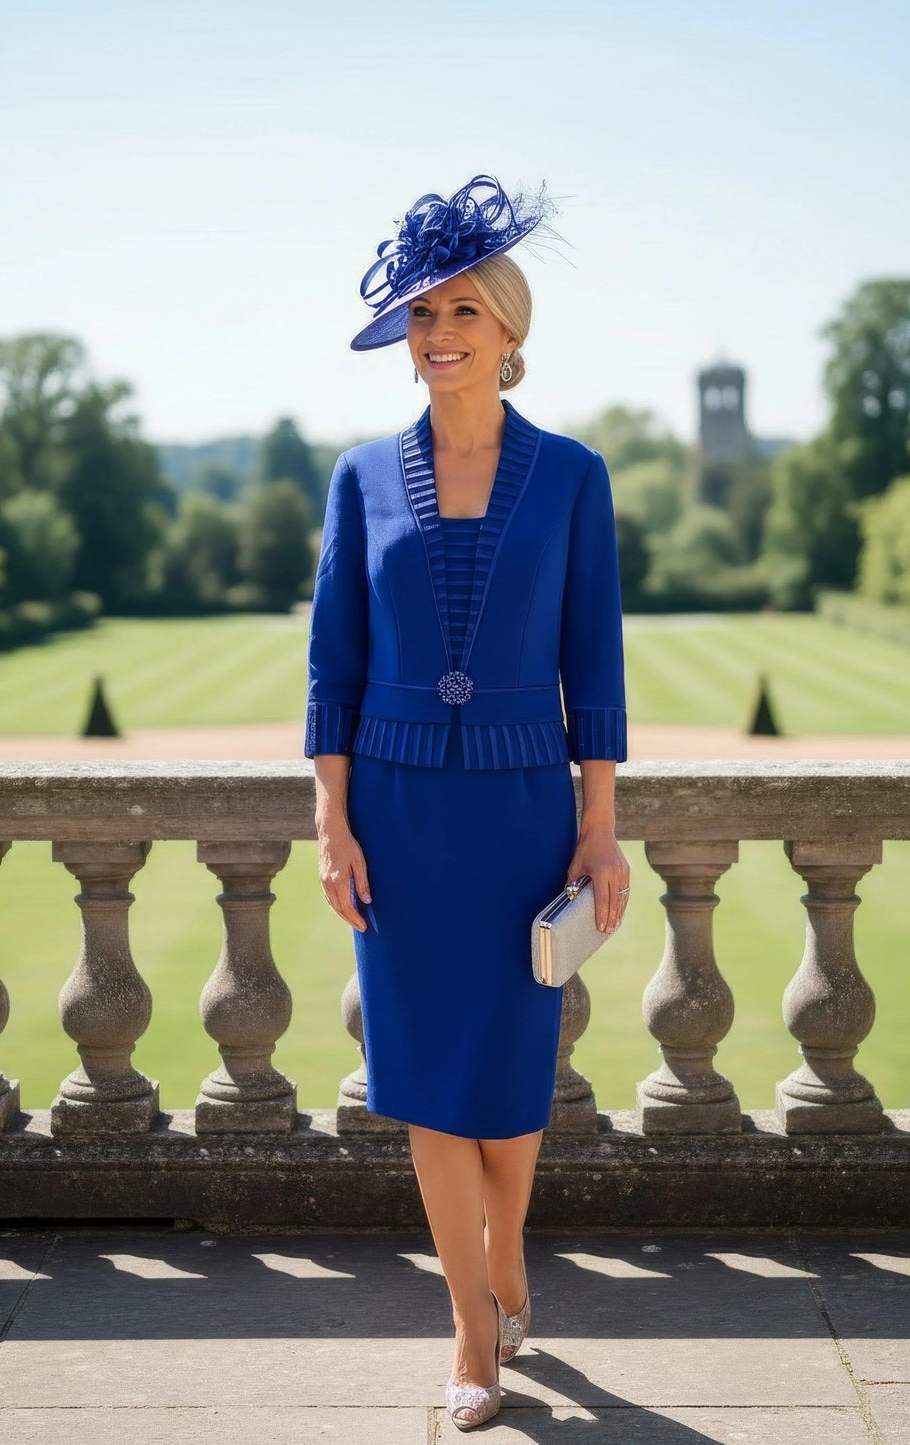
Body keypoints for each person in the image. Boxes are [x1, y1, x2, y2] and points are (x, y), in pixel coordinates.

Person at [304, 173, 630, 1431]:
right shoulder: (358, 477)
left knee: (508, 1079)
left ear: (507, 332)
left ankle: (506, 1263)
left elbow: (590, 661)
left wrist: (596, 822)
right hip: (393, 811)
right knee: (425, 1077)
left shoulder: (572, 476)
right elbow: (333, 662)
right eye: (420, 316)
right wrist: (331, 816)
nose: (435, 336)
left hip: (517, 809)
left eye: (459, 314)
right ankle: (470, 1330)